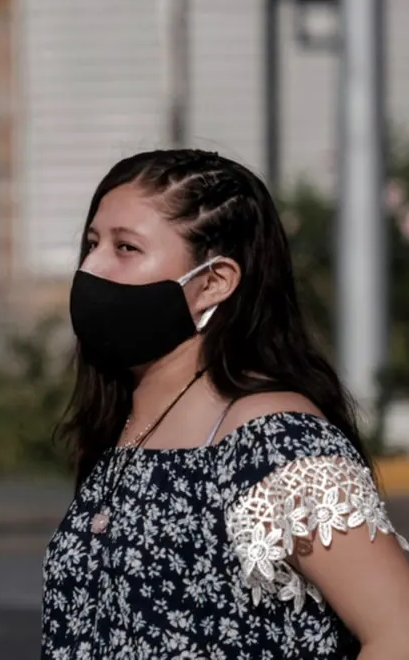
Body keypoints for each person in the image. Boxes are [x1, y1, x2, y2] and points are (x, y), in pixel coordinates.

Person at [41, 149, 409, 659]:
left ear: (213, 283)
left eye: (126, 248)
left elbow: (398, 631)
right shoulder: (126, 426)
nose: (92, 268)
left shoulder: (277, 441)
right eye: (92, 243)